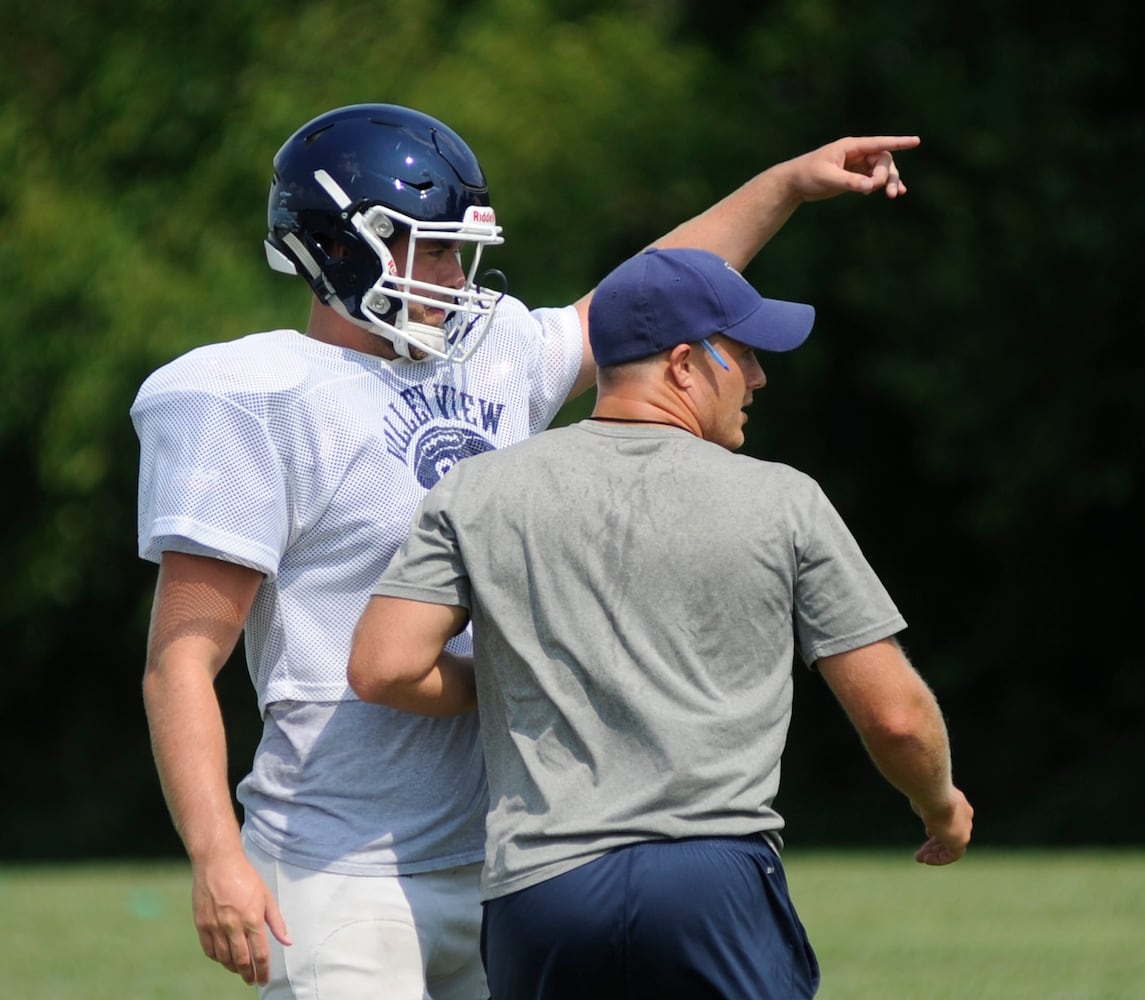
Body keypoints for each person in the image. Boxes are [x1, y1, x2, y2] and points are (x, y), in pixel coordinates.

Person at [132, 99, 921, 1000]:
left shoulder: (489, 356)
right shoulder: (255, 394)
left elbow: (644, 298)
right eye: (426, 248)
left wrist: (785, 186)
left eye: (455, 249)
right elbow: (181, 663)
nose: (452, 276)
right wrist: (215, 856)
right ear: (334, 246)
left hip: (513, 856)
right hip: (335, 857)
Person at [348, 246, 974, 999]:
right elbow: (895, 718)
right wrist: (938, 805)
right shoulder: (783, 500)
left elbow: (384, 668)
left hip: (540, 891)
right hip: (712, 885)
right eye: (742, 356)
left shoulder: (476, 489)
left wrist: (529, 671)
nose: (758, 378)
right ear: (684, 363)